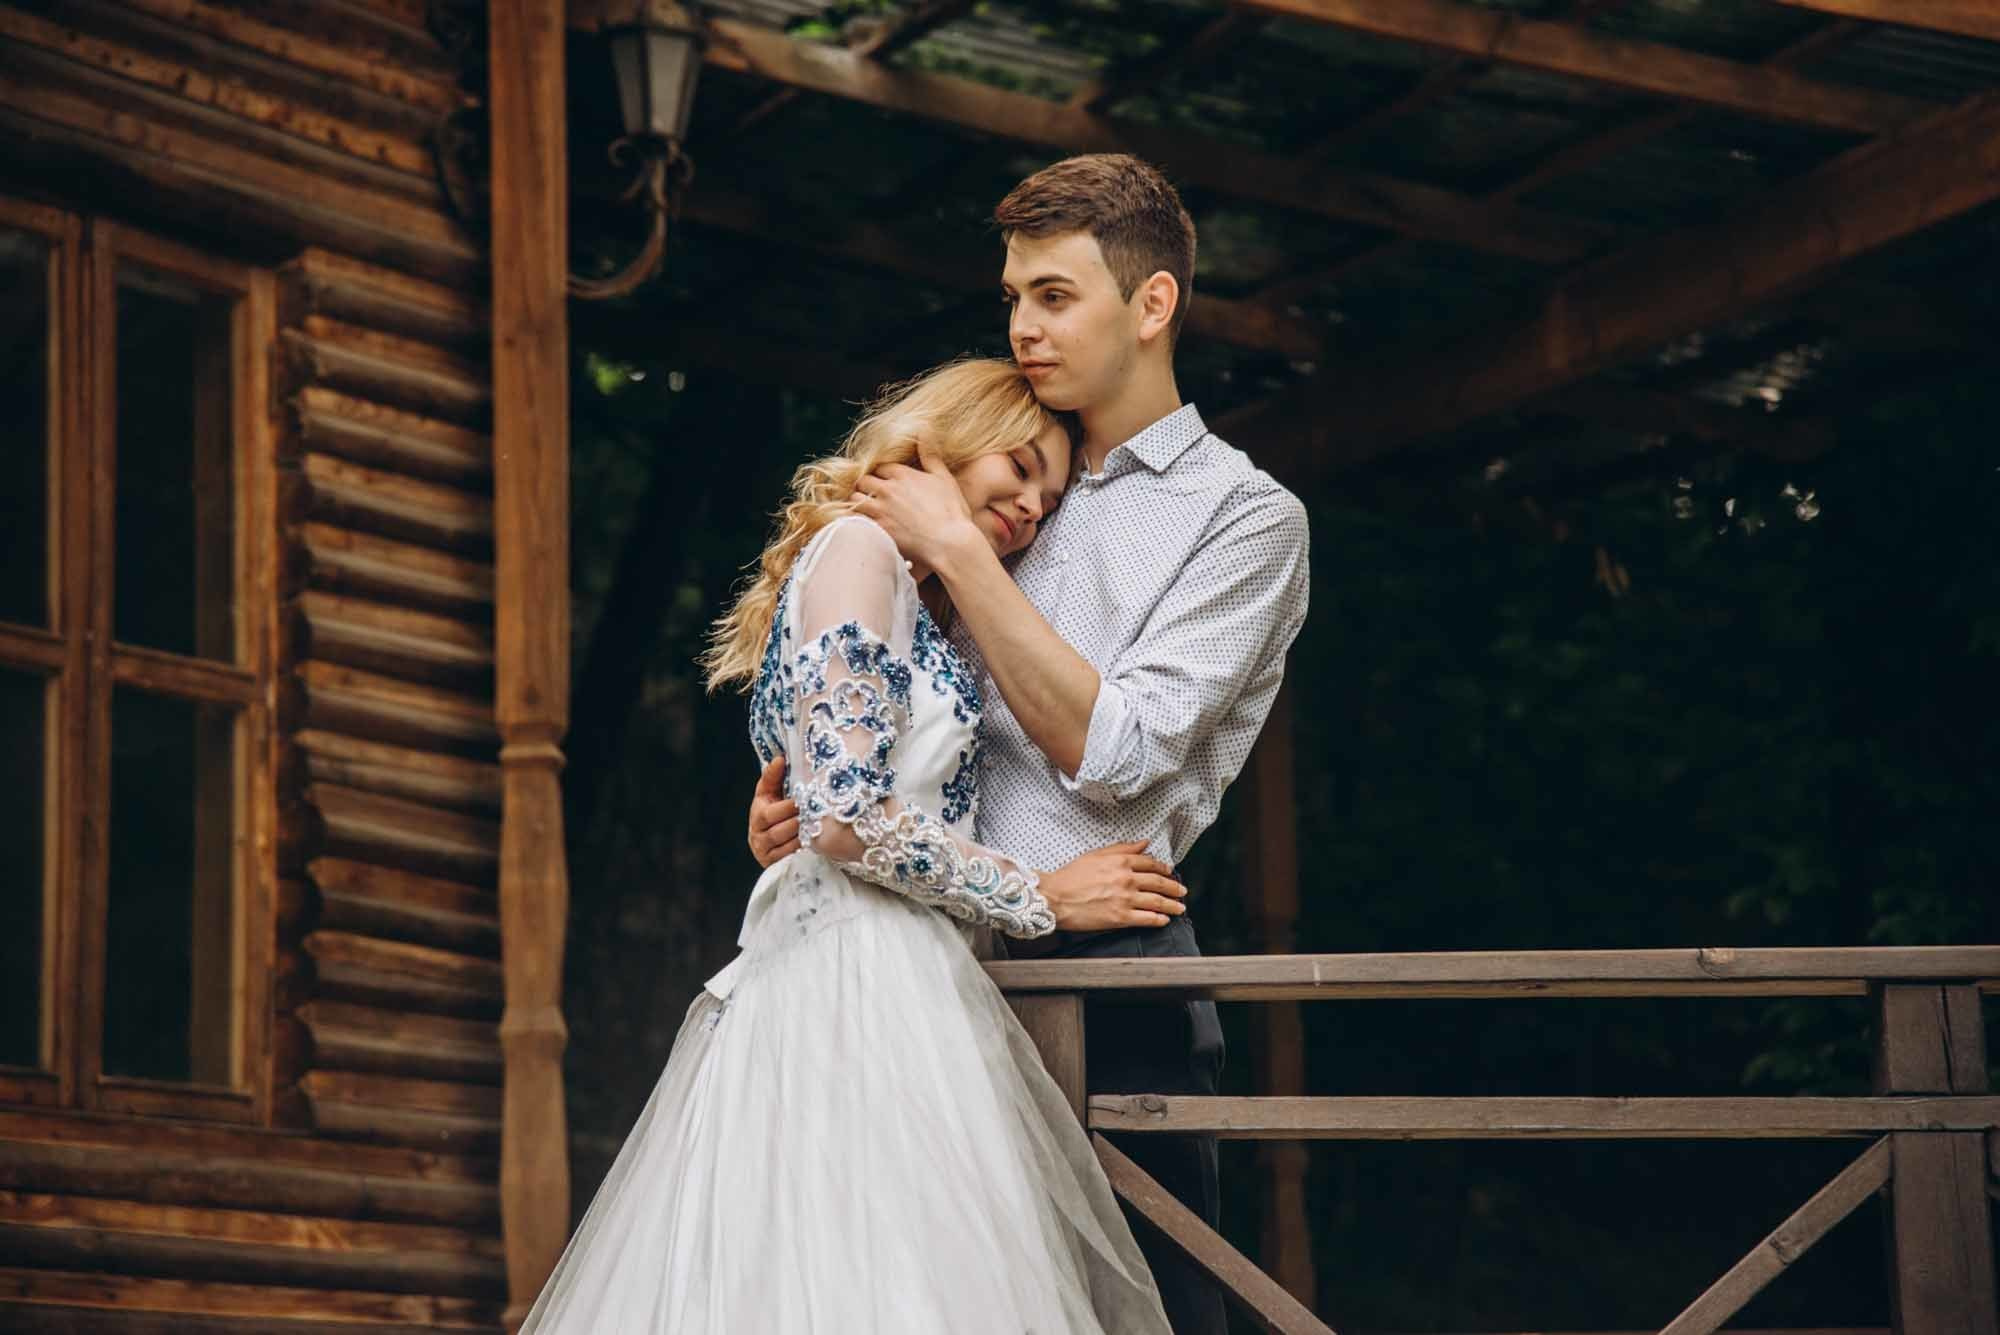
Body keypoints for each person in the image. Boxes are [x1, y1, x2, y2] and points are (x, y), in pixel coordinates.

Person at [749, 153, 1311, 1335]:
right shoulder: (1004, 466)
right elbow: (877, 697)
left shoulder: (1242, 516)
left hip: (1105, 973)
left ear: (1151, 304)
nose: (1021, 327)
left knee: (1143, 1314)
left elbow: (1117, 753)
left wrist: (960, 551)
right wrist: (805, 798)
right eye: (1012, 297)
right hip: (916, 963)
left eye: (1053, 296)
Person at [516, 358, 1177, 1334]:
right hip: (857, 987)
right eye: (1020, 467)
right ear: (948, 437)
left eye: (1048, 498)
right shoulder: (862, 550)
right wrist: (1044, 893)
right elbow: (843, 818)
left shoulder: (912, 596)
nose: (1032, 506)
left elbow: (826, 806)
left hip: (887, 968)